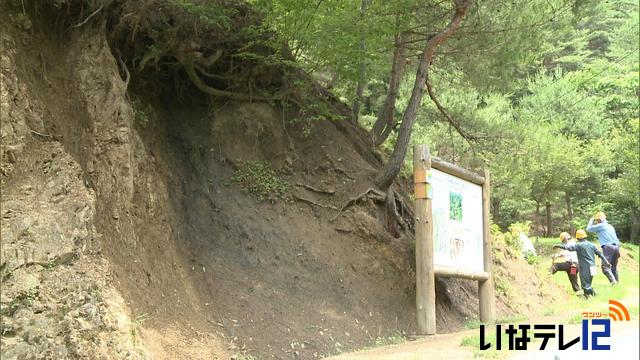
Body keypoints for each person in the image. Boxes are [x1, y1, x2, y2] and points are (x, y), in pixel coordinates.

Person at [554, 229, 611, 298]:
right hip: (589, 267)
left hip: (578, 266)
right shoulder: (592, 245)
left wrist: (558, 246)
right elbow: (600, 254)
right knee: (575, 278)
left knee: (585, 286)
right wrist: (606, 262)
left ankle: (594, 295)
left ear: (577, 237)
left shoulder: (578, 245)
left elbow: (569, 248)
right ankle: (584, 295)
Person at [586, 211, 621, 284]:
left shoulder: (601, 225)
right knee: (613, 267)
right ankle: (617, 283)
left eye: (597, 220)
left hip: (608, 247)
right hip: (616, 247)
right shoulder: (610, 226)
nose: (597, 221)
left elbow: (588, 229)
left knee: (605, 267)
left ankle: (613, 282)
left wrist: (591, 220)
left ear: (599, 220)